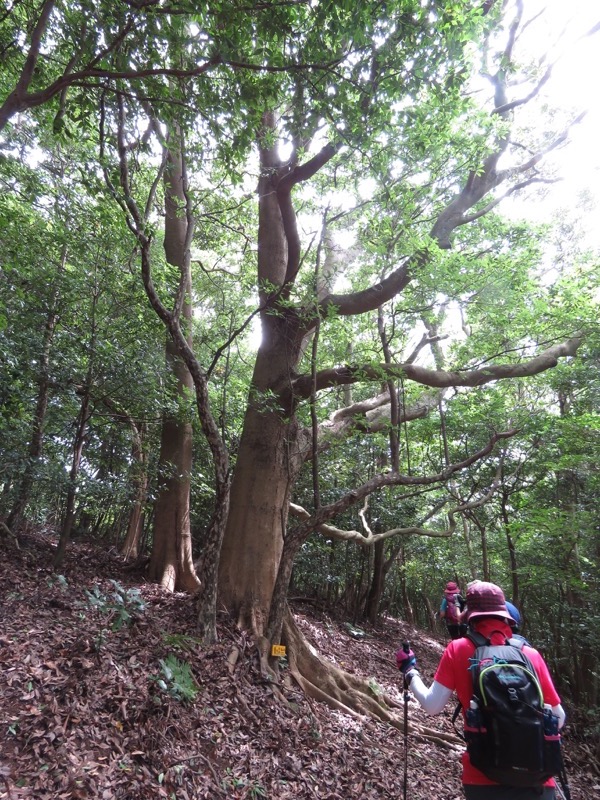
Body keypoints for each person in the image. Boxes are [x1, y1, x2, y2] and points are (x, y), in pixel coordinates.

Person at [397, 580, 566, 799]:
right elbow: (559, 717)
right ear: (504, 613)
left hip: (482, 778)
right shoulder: (529, 654)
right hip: (539, 779)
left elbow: (432, 706)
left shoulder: (458, 649)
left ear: (470, 614)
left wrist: (410, 673)